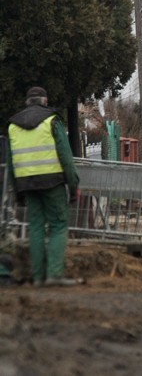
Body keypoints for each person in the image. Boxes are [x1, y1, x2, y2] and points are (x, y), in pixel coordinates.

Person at [7, 86, 80, 287]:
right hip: (52, 182)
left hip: (27, 183)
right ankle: (54, 275)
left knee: (36, 227)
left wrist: (17, 193)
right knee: (58, 225)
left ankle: (38, 277)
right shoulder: (52, 121)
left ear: (27, 102)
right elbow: (66, 157)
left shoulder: (13, 126)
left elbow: (12, 163)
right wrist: (73, 187)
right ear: (45, 101)